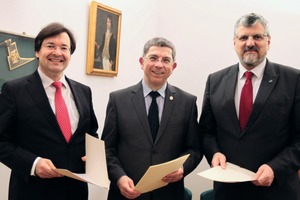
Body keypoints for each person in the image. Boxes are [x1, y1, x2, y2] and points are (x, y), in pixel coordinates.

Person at [199, 13, 300, 200]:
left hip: (277, 191)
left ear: (268, 41)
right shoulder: (215, 81)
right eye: (244, 37)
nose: (250, 43)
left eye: (257, 37)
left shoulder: (293, 80)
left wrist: (276, 167)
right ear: (234, 42)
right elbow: (206, 131)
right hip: (228, 192)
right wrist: (214, 153)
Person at [0, 22, 98, 200]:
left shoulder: (84, 91)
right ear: (37, 51)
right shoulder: (13, 90)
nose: (57, 53)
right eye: (50, 46)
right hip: (32, 192)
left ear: (70, 54)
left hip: (76, 192)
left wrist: (93, 157)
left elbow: (91, 133)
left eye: (64, 48)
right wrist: (33, 164)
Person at [101, 37, 202, 200]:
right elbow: (107, 149)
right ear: (142, 62)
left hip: (169, 194)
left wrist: (183, 168)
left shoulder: (187, 102)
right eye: (153, 58)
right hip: (126, 194)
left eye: (166, 60)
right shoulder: (118, 100)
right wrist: (119, 178)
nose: (159, 65)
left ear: (173, 67)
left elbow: (195, 149)